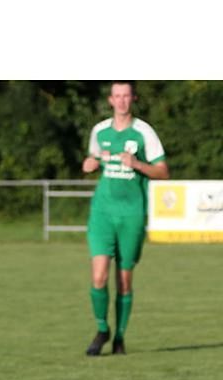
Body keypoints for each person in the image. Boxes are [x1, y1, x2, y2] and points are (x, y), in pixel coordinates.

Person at [82, 81, 168, 356]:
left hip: (131, 213)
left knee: (124, 280)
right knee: (98, 276)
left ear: (133, 99)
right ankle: (102, 329)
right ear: (110, 100)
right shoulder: (100, 131)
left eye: (126, 96)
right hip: (102, 213)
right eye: (116, 96)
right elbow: (92, 159)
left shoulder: (144, 132)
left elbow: (163, 172)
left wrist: (138, 164)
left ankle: (119, 337)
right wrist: (89, 164)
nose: (121, 101)